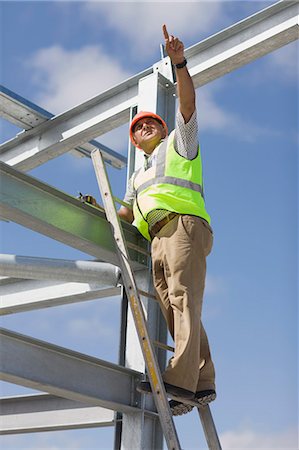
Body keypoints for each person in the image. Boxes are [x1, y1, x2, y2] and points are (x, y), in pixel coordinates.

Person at [119, 25, 216, 416]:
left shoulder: (179, 144)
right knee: (176, 306)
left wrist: (180, 63)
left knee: (184, 300)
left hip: (182, 227)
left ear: (162, 129)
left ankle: (179, 381)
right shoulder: (136, 177)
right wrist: (97, 207)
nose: (146, 126)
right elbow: (124, 214)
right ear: (134, 141)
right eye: (138, 126)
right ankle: (203, 381)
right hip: (157, 238)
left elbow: (188, 105)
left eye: (152, 123)